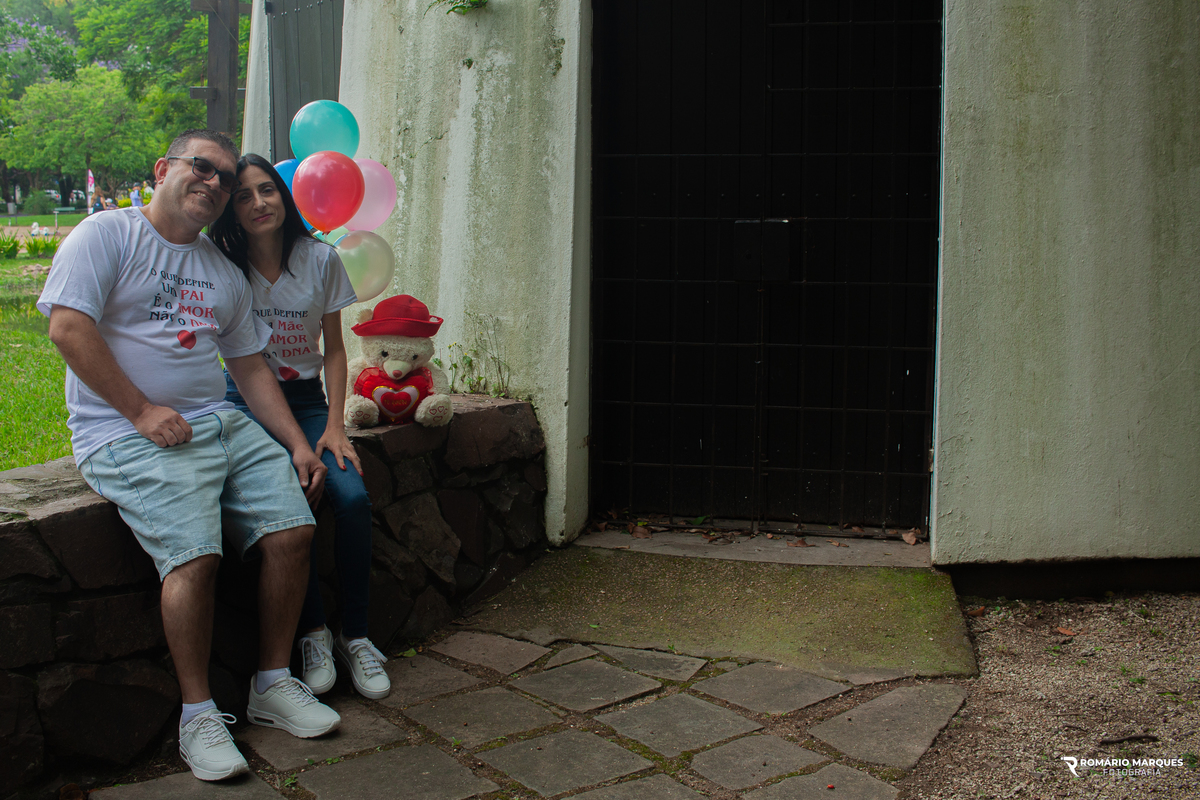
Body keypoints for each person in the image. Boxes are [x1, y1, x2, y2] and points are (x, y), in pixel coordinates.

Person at [37, 130, 342, 783]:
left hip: (217, 423)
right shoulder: (108, 235)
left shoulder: (219, 269)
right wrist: (141, 411)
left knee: (294, 530)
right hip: (123, 433)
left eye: (225, 178)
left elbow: (249, 366)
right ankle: (198, 715)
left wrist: (296, 442)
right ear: (163, 169)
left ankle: (271, 683)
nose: (215, 183)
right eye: (202, 167)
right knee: (195, 555)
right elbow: (68, 327)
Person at [211, 154, 390, 701]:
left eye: (267, 190)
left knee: (351, 497)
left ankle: (356, 636)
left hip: (309, 400)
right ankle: (312, 634)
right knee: (294, 500)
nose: (258, 203)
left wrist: (335, 425)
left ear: (284, 196)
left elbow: (334, 349)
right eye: (243, 196)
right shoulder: (223, 265)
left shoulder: (320, 259)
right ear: (231, 210)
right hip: (244, 402)